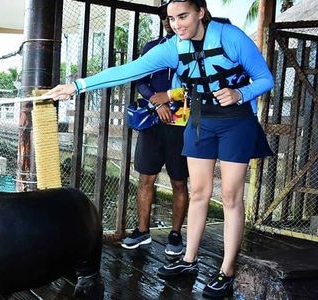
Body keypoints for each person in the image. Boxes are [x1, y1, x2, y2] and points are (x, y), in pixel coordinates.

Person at [47, 0, 274, 298]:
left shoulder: (231, 37)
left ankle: (226, 271)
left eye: (183, 16)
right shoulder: (172, 48)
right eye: (172, 18)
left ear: (201, 12)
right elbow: (130, 70)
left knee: (231, 197)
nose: (177, 24)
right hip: (200, 121)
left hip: (236, 121)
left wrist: (239, 92)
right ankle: (188, 261)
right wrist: (76, 87)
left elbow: (266, 79)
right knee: (199, 193)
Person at [121, 5, 189, 257]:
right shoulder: (152, 48)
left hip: (181, 126)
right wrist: (155, 101)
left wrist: (172, 101)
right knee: (145, 178)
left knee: (179, 181)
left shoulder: (195, 49)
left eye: (177, 16)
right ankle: (142, 231)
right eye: (166, 17)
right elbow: (140, 80)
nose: (169, 22)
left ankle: (175, 235)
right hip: (152, 123)